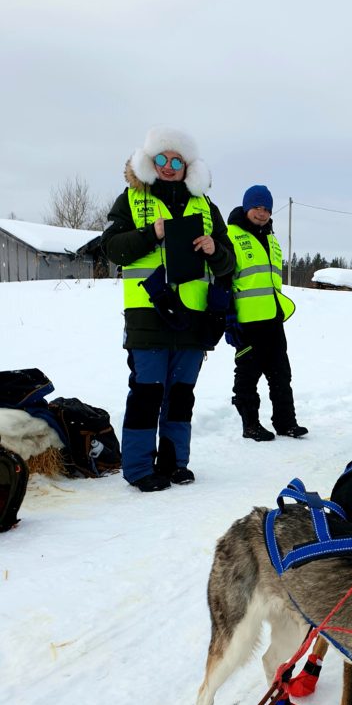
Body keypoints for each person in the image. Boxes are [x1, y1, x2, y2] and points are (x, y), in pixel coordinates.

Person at [101, 126, 234, 492]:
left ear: (188, 165)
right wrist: (152, 234)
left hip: (193, 318)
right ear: (150, 160)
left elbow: (229, 264)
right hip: (148, 316)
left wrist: (215, 250)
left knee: (181, 396)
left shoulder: (206, 206)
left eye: (177, 160)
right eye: (162, 158)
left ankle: (175, 463)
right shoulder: (131, 199)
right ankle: (139, 469)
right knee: (147, 394)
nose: (169, 166)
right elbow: (111, 248)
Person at [225, 184, 307, 440]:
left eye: (266, 209)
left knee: (281, 374)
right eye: (257, 208)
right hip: (247, 322)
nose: (261, 213)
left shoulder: (271, 238)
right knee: (247, 376)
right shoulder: (230, 235)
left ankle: (286, 422)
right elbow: (223, 280)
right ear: (246, 208)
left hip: (273, 319)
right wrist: (228, 317)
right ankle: (250, 425)